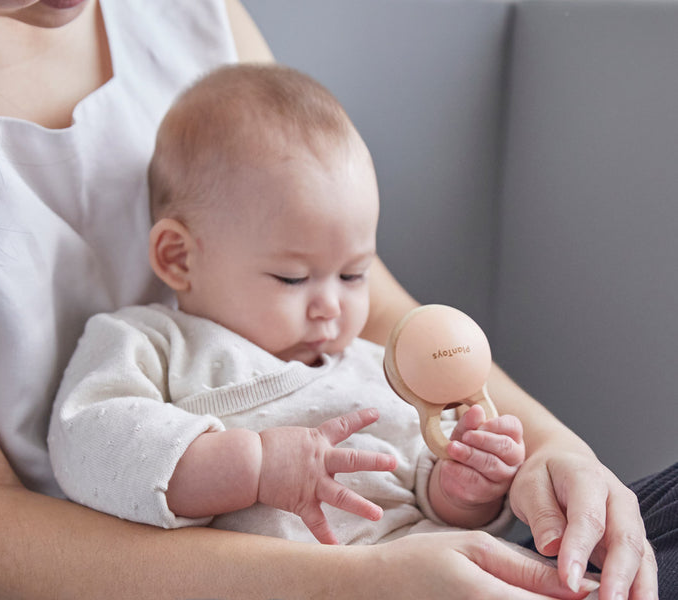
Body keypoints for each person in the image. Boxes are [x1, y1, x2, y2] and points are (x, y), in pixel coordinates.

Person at [0, 0, 663, 598]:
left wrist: (549, 451)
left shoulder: (189, 19)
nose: (323, 307)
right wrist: (360, 583)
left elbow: (374, 308)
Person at [48, 63, 532, 549]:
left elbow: (418, 489)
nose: (329, 306)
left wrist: (465, 488)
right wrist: (254, 466)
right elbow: (87, 443)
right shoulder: (153, 343)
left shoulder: (375, 368)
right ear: (180, 258)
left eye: (353, 275)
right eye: (293, 277)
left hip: (415, 557)